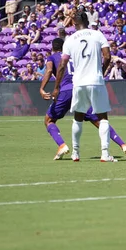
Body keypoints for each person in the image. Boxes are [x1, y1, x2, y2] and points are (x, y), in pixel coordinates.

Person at [41, 38, 126, 160]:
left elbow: (49, 70)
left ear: (53, 48)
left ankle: (62, 145)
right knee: (99, 121)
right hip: (80, 88)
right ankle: (124, 145)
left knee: (49, 120)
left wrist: (42, 89)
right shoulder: (74, 55)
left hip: (65, 91)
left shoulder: (53, 57)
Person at [52, 10, 115, 162]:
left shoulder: (70, 39)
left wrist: (56, 86)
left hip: (78, 83)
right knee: (103, 117)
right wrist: (102, 70)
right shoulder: (97, 34)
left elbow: (62, 65)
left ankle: (75, 153)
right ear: (87, 20)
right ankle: (105, 154)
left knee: (78, 117)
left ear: (74, 23)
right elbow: (107, 56)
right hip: (95, 80)